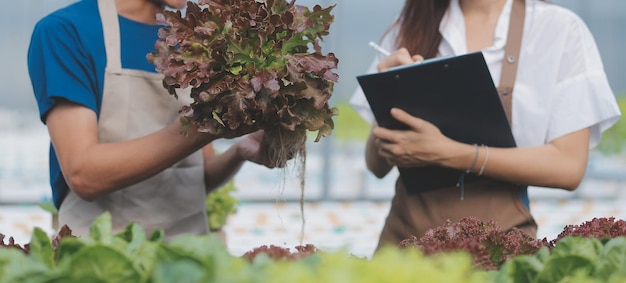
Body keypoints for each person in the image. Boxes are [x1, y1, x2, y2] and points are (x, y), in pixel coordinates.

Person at [350, 0, 621, 250]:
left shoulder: (558, 30)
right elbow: (376, 165)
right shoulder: (410, 25)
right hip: (404, 241)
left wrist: (449, 152)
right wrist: (387, 97)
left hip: (499, 246)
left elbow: (568, 167)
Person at [27, 0, 276, 239]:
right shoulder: (66, 32)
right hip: (103, 258)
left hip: (185, 259)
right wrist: (208, 124)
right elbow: (84, 175)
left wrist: (238, 152)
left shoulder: (192, 43)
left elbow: (194, 176)